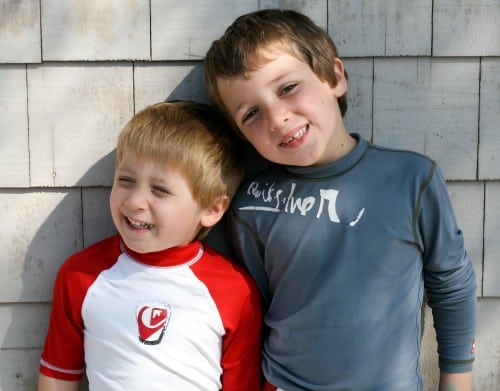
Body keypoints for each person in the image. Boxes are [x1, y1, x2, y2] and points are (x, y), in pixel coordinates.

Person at [204, 9, 477, 391]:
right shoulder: (252, 203)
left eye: (287, 88)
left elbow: (452, 286)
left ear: (334, 76)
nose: (277, 118)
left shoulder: (410, 180)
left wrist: (457, 381)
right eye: (251, 113)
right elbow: (255, 306)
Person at [38, 101, 263, 391]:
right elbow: (58, 374)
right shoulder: (81, 276)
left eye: (160, 190)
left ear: (211, 209)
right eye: (126, 180)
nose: (134, 202)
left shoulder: (235, 291)